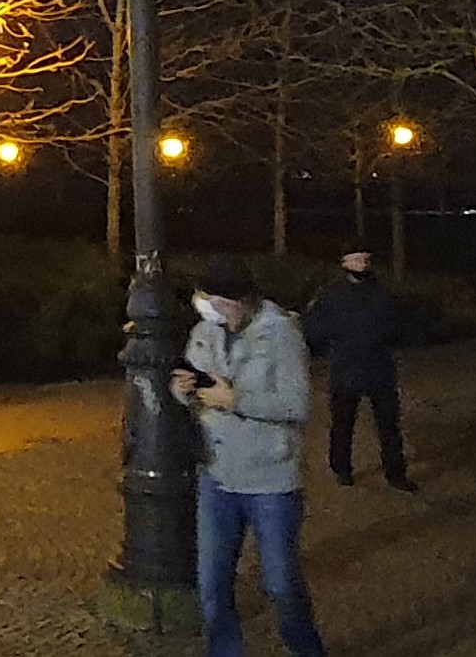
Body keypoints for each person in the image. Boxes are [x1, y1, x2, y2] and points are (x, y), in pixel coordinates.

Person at [175, 255, 325, 657]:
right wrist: (185, 387)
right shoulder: (205, 331)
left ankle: (306, 648)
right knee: (212, 586)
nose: (203, 305)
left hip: (270, 480)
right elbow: (186, 383)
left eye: (210, 298)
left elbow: (296, 404)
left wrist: (235, 399)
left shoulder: (281, 335)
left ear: (234, 300)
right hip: (217, 473)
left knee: (280, 583)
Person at [302, 249, 415, 491]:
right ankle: (341, 468)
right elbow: (313, 329)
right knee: (343, 423)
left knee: (389, 425)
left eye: (366, 259)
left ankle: (395, 473)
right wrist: (338, 336)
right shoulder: (329, 295)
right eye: (356, 259)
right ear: (344, 262)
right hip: (345, 368)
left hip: (378, 369)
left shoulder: (381, 294)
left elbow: (397, 326)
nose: (362, 264)